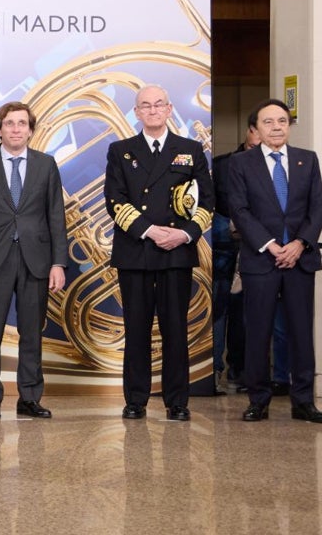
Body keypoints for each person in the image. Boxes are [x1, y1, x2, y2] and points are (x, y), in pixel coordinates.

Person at [105, 84, 213, 421]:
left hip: (176, 253)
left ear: (169, 109)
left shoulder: (191, 149)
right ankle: (135, 400)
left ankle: (177, 402)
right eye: (145, 106)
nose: (152, 110)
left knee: (175, 330)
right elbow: (115, 200)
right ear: (136, 113)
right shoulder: (120, 150)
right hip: (136, 251)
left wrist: (183, 234)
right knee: (136, 329)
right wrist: (151, 231)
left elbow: (207, 202)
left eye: (159, 105)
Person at [0, 101, 68, 419]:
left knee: (32, 332)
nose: (16, 129)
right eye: (10, 124)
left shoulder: (46, 165)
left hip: (36, 260)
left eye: (22, 123)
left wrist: (58, 263)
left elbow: (55, 217)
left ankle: (30, 397)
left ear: (31, 130)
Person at [229, 98, 322, 423]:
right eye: (268, 122)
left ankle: (304, 401)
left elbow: (316, 209)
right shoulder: (241, 163)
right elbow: (239, 211)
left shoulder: (307, 161)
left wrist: (299, 243)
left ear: (289, 125)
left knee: (301, 331)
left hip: (300, 259)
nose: (277, 127)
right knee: (258, 331)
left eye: (282, 120)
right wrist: (270, 245)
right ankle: (258, 400)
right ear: (255, 128)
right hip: (260, 260)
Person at [211, 116, 259, 392]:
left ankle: (239, 371)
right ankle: (215, 368)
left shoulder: (272, 166)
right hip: (222, 250)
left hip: (256, 250)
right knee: (218, 310)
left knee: (247, 314)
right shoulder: (221, 165)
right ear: (250, 130)